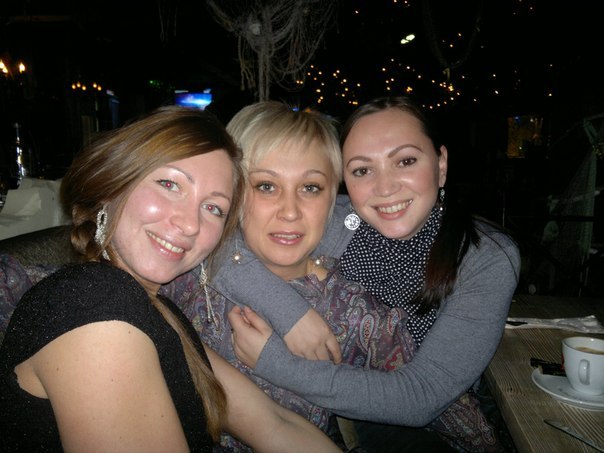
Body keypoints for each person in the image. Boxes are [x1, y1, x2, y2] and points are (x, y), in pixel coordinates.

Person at [0, 106, 340, 452]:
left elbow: (274, 423)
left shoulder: (157, 309)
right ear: (112, 184)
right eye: (169, 184)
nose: (190, 224)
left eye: (213, 208)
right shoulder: (94, 305)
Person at [214, 96, 520, 451]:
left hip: (442, 432)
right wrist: (291, 313)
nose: (385, 188)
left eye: (405, 161)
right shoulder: (342, 223)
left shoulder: (484, 255)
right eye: (362, 170)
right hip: (347, 424)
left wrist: (277, 364)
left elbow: (422, 397)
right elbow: (220, 240)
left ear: (441, 165)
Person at [162, 101, 417, 451]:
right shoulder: (184, 266)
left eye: (310, 187)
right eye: (266, 186)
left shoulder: (354, 309)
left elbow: (424, 401)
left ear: (334, 198)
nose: (290, 211)